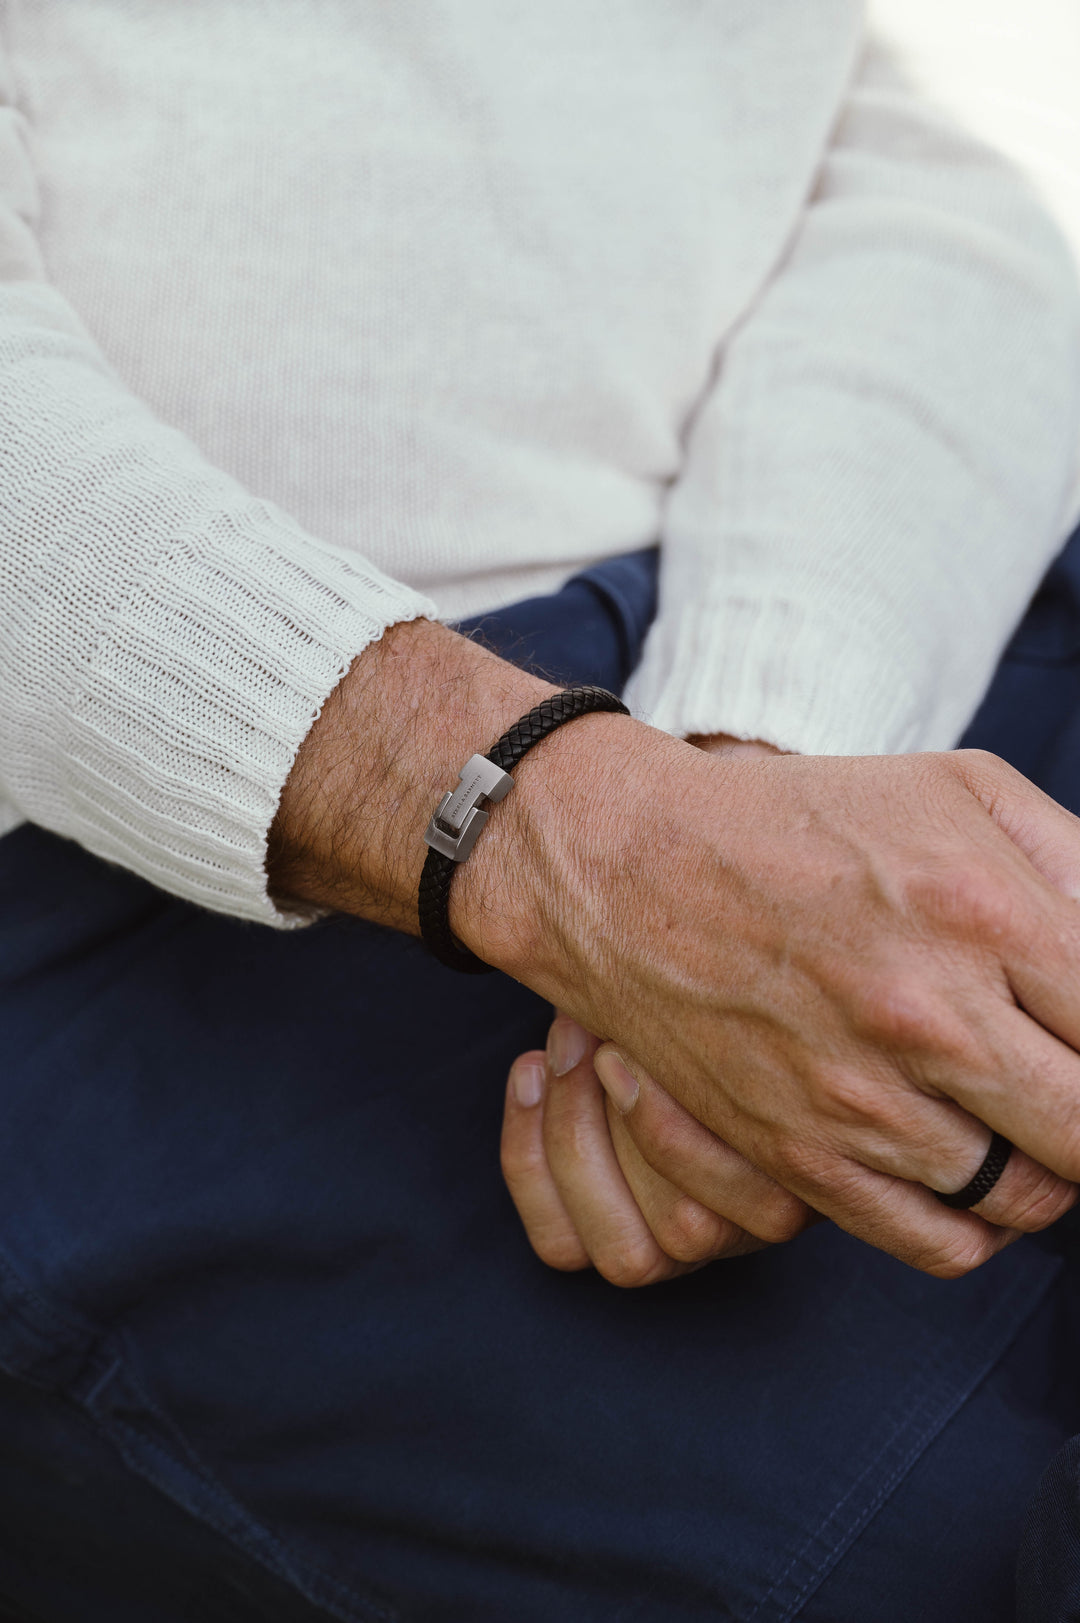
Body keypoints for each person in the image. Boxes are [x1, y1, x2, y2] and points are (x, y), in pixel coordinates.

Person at [2, 1, 1080, 1619]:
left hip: (892, 564)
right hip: (143, 825)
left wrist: (764, 759)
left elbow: (983, 101)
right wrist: (564, 837)